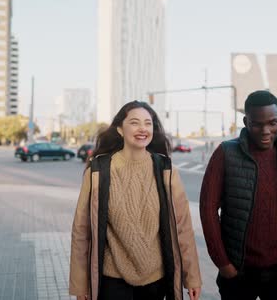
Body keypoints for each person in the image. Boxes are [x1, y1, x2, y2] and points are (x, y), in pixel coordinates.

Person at [69, 100, 202, 300]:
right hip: (112, 279)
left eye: (148, 123)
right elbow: (82, 231)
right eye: (134, 122)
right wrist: (81, 286)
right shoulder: (98, 171)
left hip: (156, 281)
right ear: (120, 130)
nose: (142, 129)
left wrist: (192, 278)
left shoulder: (166, 170)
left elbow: (182, 228)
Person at [199, 90, 277, 300]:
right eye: (257, 124)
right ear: (245, 121)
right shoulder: (225, 154)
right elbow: (207, 210)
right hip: (238, 271)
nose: (266, 131)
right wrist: (224, 264)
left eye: (273, 123)